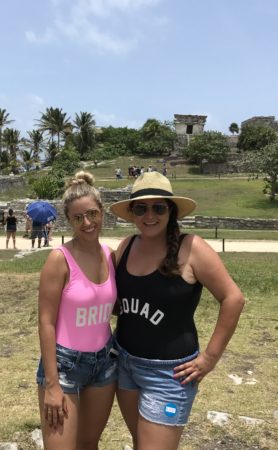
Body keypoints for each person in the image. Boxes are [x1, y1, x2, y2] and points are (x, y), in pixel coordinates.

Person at [109, 172, 245, 450]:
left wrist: (209, 358)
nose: (150, 215)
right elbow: (114, 303)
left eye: (159, 208)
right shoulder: (127, 246)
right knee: (140, 442)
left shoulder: (192, 248)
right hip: (125, 363)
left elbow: (233, 298)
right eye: (141, 208)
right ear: (132, 213)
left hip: (169, 375)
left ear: (171, 211)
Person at [36, 171, 118, 449]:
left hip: (104, 361)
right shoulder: (59, 259)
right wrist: (52, 384)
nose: (87, 223)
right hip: (64, 364)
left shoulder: (110, 255)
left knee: (89, 444)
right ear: (69, 221)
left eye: (92, 214)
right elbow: (46, 322)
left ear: (102, 212)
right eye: (78, 218)